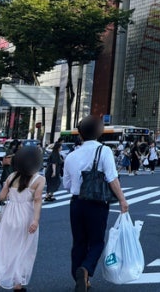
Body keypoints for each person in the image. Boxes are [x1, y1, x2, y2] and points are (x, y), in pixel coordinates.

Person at [63, 117, 129, 292]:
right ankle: (85, 269)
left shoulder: (71, 155)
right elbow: (111, 178)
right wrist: (122, 199)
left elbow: (67, 185)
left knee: (79, 242)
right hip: (97, 203)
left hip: (76, 203)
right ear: (98, 132)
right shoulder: (104, 150)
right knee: (97, 241)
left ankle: (80, 278)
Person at [0, 147, 44, 291]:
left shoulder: (11, 177)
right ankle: (18, 284)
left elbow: (1, 197)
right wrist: (35, 220)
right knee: (23, 250)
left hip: (9, 215)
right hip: (26, 216)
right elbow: (37, 200)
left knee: (3, 248)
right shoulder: (39, 179)